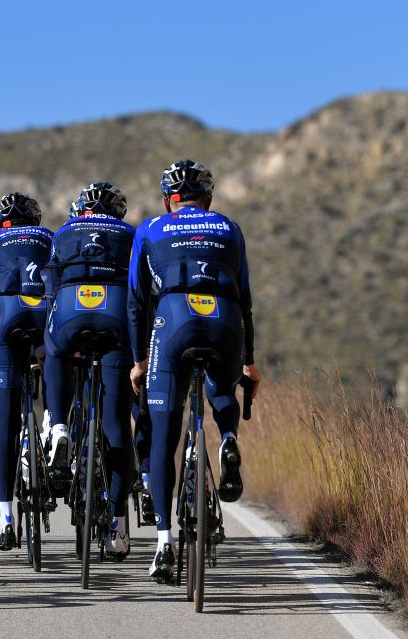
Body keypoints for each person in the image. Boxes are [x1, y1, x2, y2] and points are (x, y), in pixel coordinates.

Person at [127, 159, 262, 584]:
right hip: (225, 319)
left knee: (164, 434)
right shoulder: (230, 227)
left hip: (173, 318)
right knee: (221, 384)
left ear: (169, 200)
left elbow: (136, 299)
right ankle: (227, 439)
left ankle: (164, 543)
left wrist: (138, 360)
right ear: (208, 198)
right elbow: (245, 296)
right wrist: (249, 362)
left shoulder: (150, 229)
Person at [43, 182, 137, 560]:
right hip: (114, 315)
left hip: (69, 309)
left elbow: (49, 283)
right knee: (116, 423)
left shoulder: (63, 233)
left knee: (56, 354)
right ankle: (116, 526)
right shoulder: (131, 234)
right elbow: (142, 290)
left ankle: (59, 426)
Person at [0, 193, 53, 550]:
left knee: (5, 420)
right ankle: (52, 425)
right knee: (56, 381)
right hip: (45, 311)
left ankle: (5, 519)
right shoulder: (49, 236)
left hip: (4, 313)